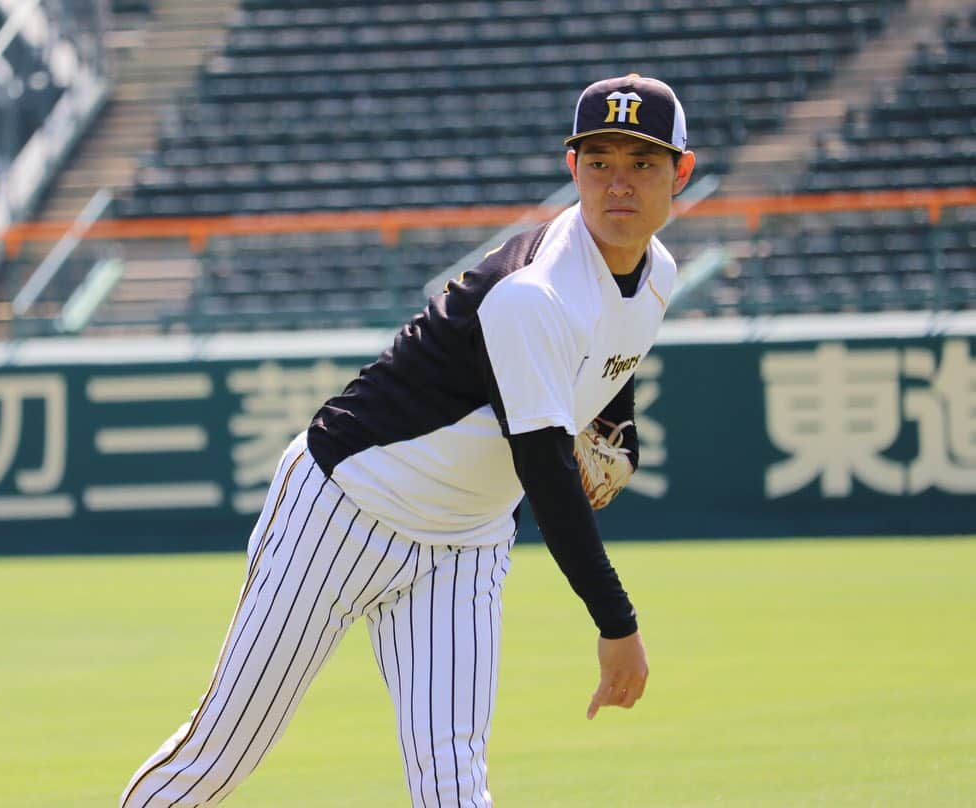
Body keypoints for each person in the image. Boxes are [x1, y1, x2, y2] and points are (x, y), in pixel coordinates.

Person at [121, 73, 696, 808]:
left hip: (464, 544)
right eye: (600, 162)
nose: (619, 184)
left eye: (642, 163)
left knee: (454, 785)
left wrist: (620, 436)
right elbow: (547, 474)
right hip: (341, 513)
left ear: (681, 170)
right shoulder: (532, 295)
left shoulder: (657, 275)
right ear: (571, 166)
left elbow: (615, 360)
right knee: (220, 756)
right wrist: (617, 623)